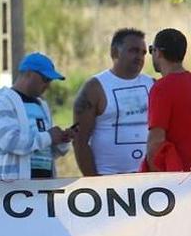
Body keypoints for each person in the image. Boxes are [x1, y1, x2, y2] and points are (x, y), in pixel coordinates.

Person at [73, 28, 153, 176]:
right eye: (133, 51)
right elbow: (79, 140)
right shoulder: (95, 87)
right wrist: (94, 182)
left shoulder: (153, 85)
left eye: (143, 52)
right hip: (108, 178)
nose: (139, 57)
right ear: (114, 52)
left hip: (147, 180)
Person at [0, 52, 72, 180]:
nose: (48, 85)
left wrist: (61, 141)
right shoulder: (2, 101)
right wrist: (48, 137)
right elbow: (10, 141)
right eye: (45, 79)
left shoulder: (42, 105)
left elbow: (45, 152)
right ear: (28, 74)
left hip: (42, 188)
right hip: (10, 190)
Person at [145, 28, 191, 172]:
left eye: (151, 49)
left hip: (177, 178)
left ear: (158, 52)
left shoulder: (161, 88)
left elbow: (157, 140)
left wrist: (157, 183)